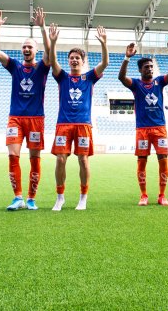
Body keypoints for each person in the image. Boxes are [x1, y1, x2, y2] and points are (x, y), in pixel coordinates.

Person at [0, 7, 50, 211]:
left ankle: (31, 198)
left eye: (30, 47)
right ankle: (18, 197)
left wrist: (42, 28)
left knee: (35, 159)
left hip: (36, 119)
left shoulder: (42, 67)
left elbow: (50, 55)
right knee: (13, 156)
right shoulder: (15, 66)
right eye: (24, 47)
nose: (26, 49)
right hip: (15, 118)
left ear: (36, 50)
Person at [48, 23, 108, 211]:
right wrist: (53, 42)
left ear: (83, 61)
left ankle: (83, 197)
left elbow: (105, 63)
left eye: (77, 58)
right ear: (69, 61)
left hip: (83, 125)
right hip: (63, 124)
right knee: (60, 159)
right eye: (71, 58)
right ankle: (60, 197)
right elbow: (52, 61)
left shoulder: (89, 77)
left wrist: (104, 44)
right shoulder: (62, 77)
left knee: (83, 160)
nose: (74, 60)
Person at [118, 38, 168, 206]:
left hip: (160, 128)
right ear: (140, 70)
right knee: (142, 161)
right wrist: (127, 58)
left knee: (163, 159)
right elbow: (121, 77)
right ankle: (144, 195)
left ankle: (162, 195)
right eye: (146, 67)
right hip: (143, 129)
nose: (150, 69)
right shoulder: (136, 84)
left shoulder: (159, 82)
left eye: (151, 67)